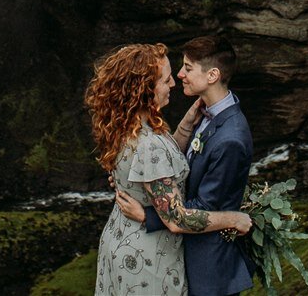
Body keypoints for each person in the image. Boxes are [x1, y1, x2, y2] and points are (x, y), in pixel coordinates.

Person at [89, 42, 252, 296]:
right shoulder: (149, 144)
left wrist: (185, 128)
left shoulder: (124, 123)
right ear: (144, 89)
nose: (174, 83)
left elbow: (154, 167)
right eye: (166, 80)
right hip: (147, 259)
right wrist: (234, 219)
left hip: (120, 238)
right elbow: (176, 219)